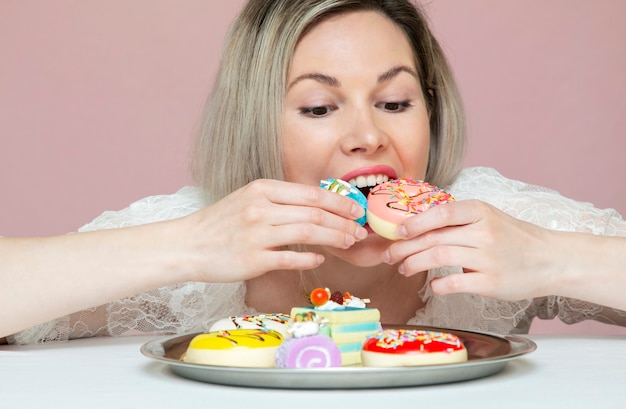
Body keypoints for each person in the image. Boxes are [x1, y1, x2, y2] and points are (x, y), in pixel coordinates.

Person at [2, 0, 626, 344]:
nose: (366, 137)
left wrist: (551, 258)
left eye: (395, 103)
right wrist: (181, 246)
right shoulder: (204, 232)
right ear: (257, 124)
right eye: (319, 108)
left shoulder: (490, 220)